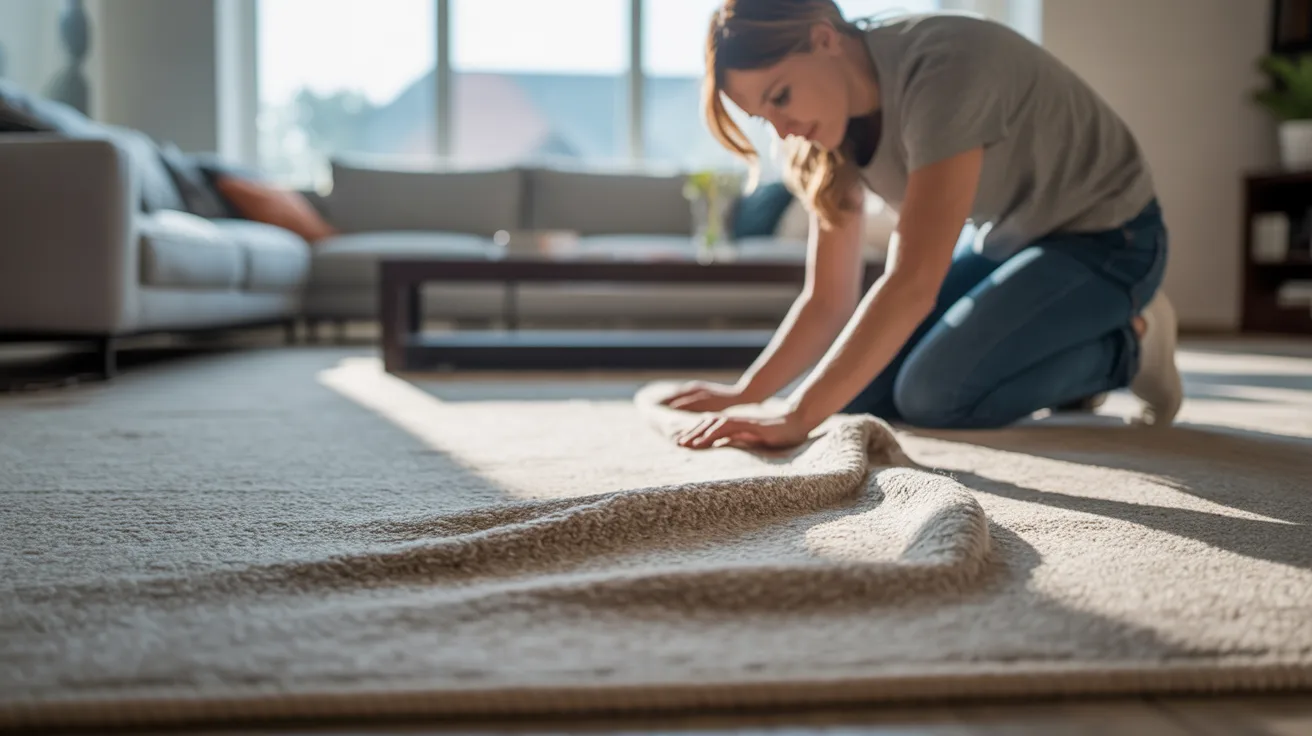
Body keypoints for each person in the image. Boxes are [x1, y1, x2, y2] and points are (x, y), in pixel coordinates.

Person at [662, 0, 1182, 450]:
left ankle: (1132, 344)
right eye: (762, 117)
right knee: (864, 395)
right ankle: (1062, 361)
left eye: (779, 97)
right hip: (1011, 239)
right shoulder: (825, 129)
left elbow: (912, 283)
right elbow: (828, 299)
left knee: (935, 394)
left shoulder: (944, 67)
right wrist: (749, 393)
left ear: (824, 39)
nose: (782, 129)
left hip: (1113, 237)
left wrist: (796, 416)